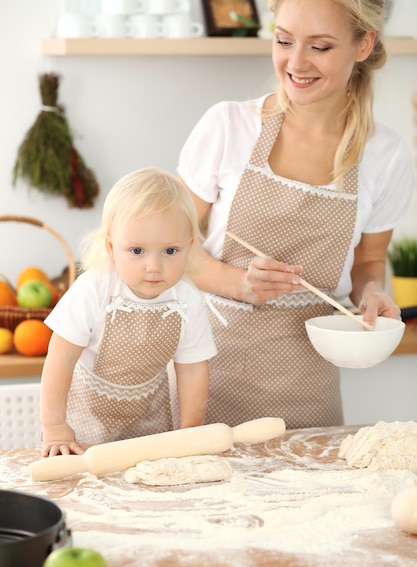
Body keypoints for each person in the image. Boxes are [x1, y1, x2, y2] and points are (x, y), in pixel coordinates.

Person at [177, 0, 414, 429]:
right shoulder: (228, 126)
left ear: (364, 44)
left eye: (320, 47)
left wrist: (373, 294)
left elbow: (368, 261)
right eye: (284, 40)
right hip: (202, 367)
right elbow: (171, 247)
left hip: (308, 385)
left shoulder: (386, 154)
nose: (296, 62)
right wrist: (239, 283)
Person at [40, 167, 217, 457]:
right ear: (112, 247)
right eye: (137, 251)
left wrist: (190, 433)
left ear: (189, 248)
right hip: (83, 427)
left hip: (148, 423)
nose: (154, 266)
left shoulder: (188, 300)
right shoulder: (93, 289)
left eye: (170, 251)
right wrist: (55, 426)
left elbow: (194, 369)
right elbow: (61, 357)